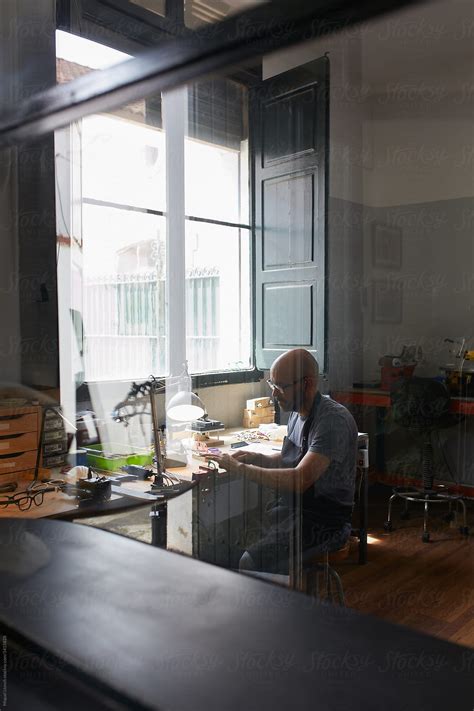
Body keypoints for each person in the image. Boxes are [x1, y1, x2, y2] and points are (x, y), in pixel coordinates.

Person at [213, 348, 358, 574]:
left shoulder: (331, 421)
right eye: (272, 385)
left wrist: (241, 468)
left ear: (307, 384)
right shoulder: (296, 411)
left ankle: (281, 605)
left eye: (280, 387)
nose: (274, 394)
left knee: (250, 561)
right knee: (223, 545)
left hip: (324, 522)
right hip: (293, 509)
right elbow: (290, 459)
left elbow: (300, 479)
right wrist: (257, 457)